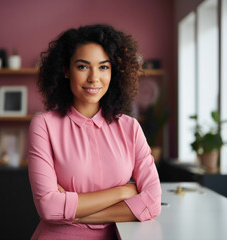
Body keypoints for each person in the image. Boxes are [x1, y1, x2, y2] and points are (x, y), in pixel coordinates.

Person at [28, 24, 161, 240]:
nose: (94, 78)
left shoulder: (130, 128)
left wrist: (75, 213)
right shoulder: (44, 125)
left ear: (114, 72)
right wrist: (123, 191)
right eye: (82, 67)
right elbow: (49, 208)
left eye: (103, 67)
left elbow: (152, 203)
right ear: (65, 70)